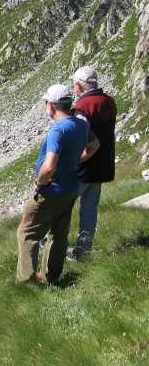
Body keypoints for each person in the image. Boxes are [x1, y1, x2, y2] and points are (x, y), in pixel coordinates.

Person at [17, 84, 100, 284]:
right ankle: (50, 277)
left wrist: (40, 183)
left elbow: (49, 165)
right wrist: (75, 161)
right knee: (58, 233)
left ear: (51, 106)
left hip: (51, 191)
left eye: (46, 103)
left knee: (27, 233)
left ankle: (26, 282)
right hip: (70, 188)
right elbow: (95, 145)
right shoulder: (80, 124)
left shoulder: (58, 129)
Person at [69, 65, 117, 259]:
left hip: (83, 167)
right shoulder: (109, 101)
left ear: (79, 86)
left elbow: (82, 137)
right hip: (101, 166)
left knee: (61, 206)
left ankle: (53, 249)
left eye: (74, 85)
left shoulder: (82, 107)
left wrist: (72, 161)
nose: (73, 89)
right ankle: (84, 250)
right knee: (89, 209)